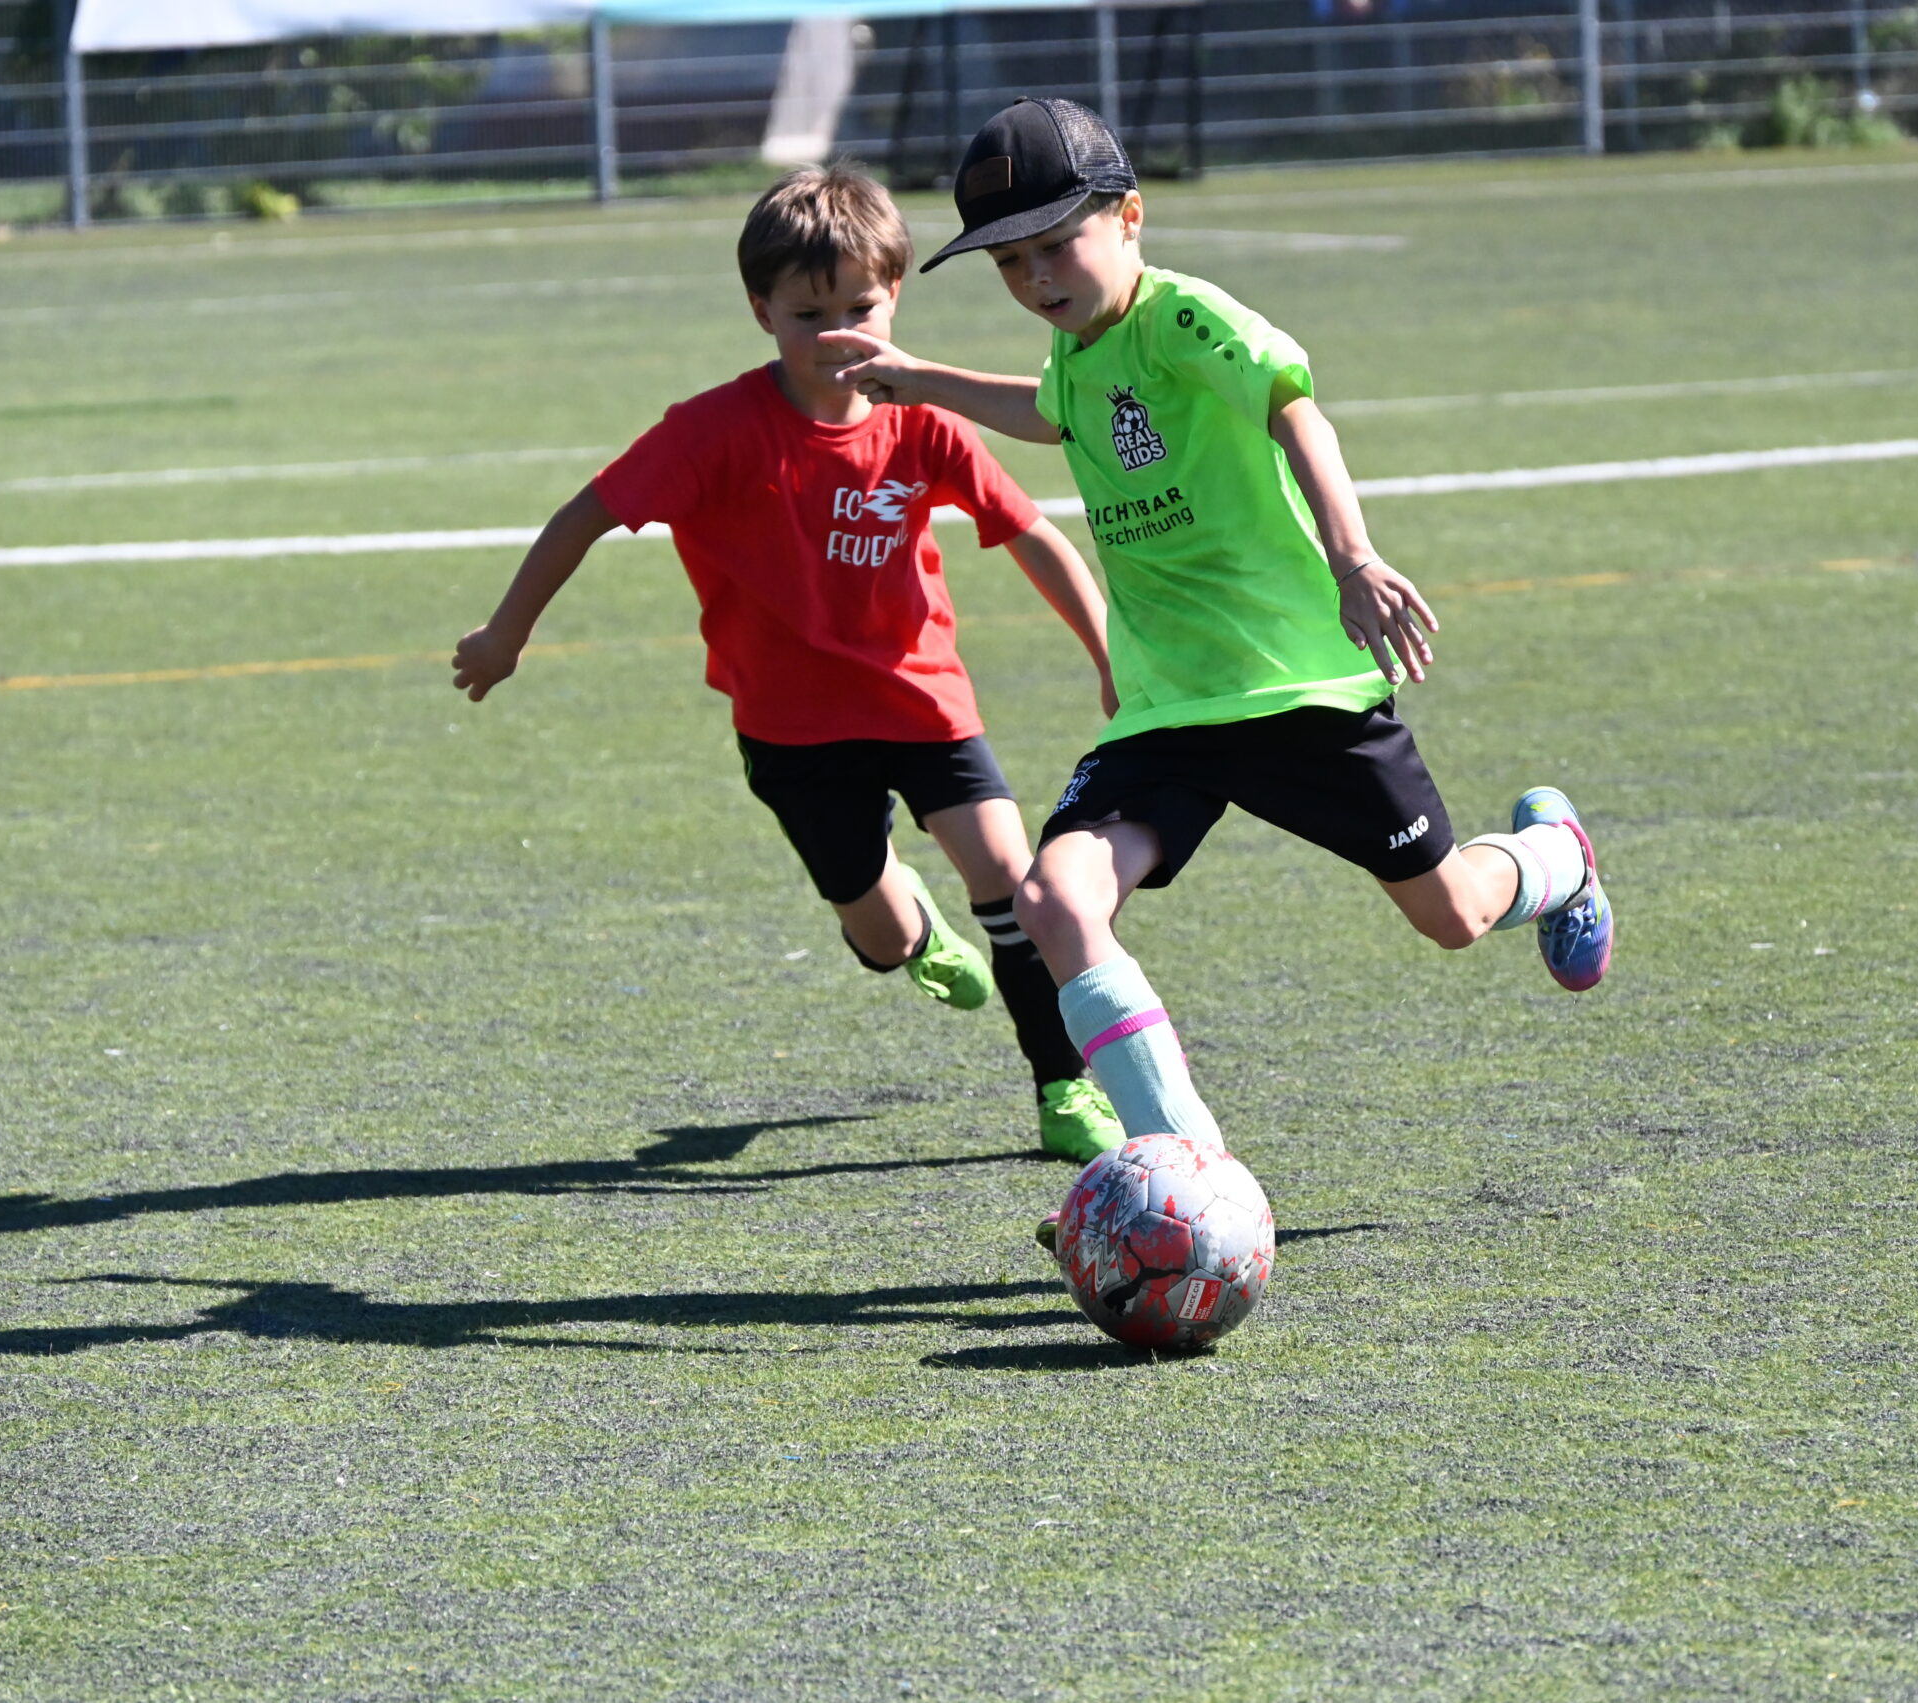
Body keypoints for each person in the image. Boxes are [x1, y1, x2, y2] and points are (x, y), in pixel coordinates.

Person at [825, 99, 1612, 1216]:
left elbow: (1296, 410)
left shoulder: (1185, 319)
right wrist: (920, 377)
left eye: (1057, 245)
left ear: (1129, 217)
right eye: (1009, 261)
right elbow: (1052, 412)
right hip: (1170, 711)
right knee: (1054, 899)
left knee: (1451, 913)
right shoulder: (1076, 351)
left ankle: (1555, 856)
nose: (1036, 277)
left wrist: (1352, 555)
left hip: (1299, 689)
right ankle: (1193, 1181)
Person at [451, 161, 1128, 1160]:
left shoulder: (922, 416)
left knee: (1011, 879)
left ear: (893, 297)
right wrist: (505, 633)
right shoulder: (710, 433)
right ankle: (912, 930)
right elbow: (584, 515)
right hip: (792, 728)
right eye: (810, 315)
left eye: (861, 307)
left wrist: (1107, 651)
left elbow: (1030, 532)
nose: (839, 333)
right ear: (761, 311)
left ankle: (1062, 1085)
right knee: (881, 938)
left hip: (923, 701)